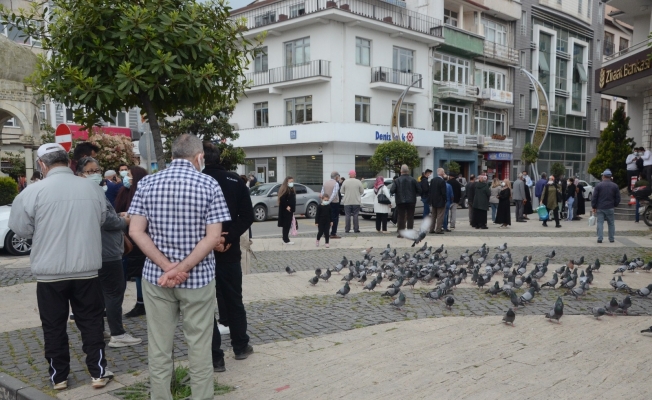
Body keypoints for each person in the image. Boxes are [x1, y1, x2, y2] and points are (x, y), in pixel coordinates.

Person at [128, 134, 231, 400]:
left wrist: (166, 267)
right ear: (199, 157)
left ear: (172, 155)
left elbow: (136, 231)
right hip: (198, 280)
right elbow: (213, 237)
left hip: (156, 279)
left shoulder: (147, 183)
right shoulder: (208, 184)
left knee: (159, 348)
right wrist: (181, 268)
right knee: (199, 347)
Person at [8, 143, 113, 390]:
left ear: (42, 165)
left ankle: (59, 376)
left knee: (54, 325)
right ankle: (98, 372)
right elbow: (101, 219)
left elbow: (21, 229)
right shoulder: (91, 189)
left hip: (50, 272)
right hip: (86, 269)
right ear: (67, 161)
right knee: (92, 322)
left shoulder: (31, 192)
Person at [77, 157, 142, 349]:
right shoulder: (92, 192)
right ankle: (118, 334)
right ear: (81, 174)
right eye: (91, 171)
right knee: (114, 293)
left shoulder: (87, 192)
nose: (96, 174)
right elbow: (107, 221)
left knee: (98, 294)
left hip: (95, 250)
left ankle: (99, 330)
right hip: (106, 251)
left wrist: (117, 216)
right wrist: (125, 221)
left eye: (97, 169)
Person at [201, 142, 255, 372]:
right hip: (229, 251)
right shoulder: (234, 180)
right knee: (234, 299)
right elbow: (248, 215)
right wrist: (228, 238)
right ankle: (240, 345)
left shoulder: (198, 181)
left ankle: (216, 358)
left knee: (204, 305)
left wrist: (211, 241)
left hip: (201, 253)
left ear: (201, 158)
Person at [114, 166, 148, 318]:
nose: (126, 178)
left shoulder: (141, 193)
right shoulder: (123, 192)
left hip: (139, 239)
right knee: (132, 271)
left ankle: (142, 302)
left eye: (128, 175)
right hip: (126, 238)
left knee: (139, 272)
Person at [591, 169, 621, 243]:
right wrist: (615, 204)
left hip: (600, 207)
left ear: (603, 176)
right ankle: (611, 238)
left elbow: (594, 197)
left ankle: (600, 238)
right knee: (611, 223)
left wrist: (594, 206)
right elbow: (618, 198)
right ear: (610, 177)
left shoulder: (599, 185)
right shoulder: (615, 186)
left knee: (600, 222)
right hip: (610, 207)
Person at [391, 165, 421, 236]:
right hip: (411, 201)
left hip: (400, 201)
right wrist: (414, 194)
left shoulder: (397, 180)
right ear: (408, 171)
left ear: (401, 171)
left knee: (401, 216)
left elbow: (392, 190)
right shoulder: (413, 180)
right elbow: (419, 190)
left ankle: (401, 233)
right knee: (410, 216)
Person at [321, 171, 341, 239]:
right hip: (334, 203)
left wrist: (324, 201)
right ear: (336, 177)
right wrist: (329, 201)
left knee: (327, 217)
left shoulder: (325, 183)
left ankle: (325, 232)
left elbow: (322, 192)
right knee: (334, 218)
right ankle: (333, 233)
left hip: (325, 202)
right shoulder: (336, 183)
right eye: (338, 177)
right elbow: (334, 194)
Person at [277, 176, 296, 245]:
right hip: (286, 210)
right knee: (286, 225)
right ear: (287, 182)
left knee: (288, 225)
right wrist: (286, 206)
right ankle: (285, 239)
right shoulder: (285, 189)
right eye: (290, 182)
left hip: (290, 210)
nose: (292, 183)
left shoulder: (291, 189)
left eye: (292, 182)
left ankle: (285, 238)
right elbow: (282, 198)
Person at [428, 168, 446, 234]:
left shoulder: (433, 180)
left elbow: (430, 191)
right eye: (443, 172)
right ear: (442, 173)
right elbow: (444, 192)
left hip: (433, 201)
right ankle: (438, 229)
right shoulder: (442, 181)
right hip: (440, 201)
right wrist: (445, 199)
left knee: (433, 216)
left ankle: (431, 229)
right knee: (440, 216)